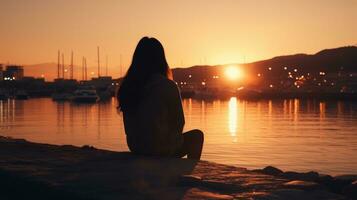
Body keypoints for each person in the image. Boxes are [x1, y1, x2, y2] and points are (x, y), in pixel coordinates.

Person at [117, 37, 204, 159]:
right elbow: (179, 122)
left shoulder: (128, 86)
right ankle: (187, 171)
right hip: (159, 150)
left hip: (136, 147)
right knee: (197, 136)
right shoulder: (167, 85)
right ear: (161, 59)